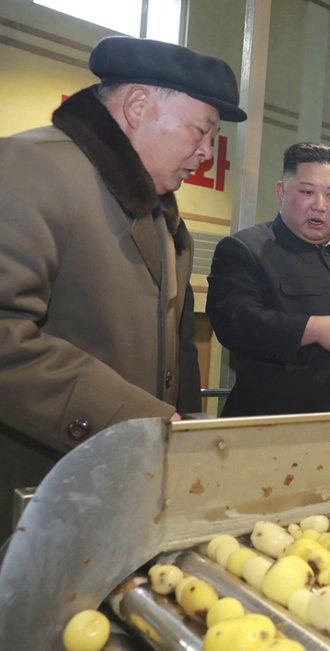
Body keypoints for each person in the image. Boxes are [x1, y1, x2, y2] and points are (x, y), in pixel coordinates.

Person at [0, 36, 246, 538]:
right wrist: (134, 422)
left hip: (126, 492)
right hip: (36, 496)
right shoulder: (29, 168)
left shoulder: (161, 214)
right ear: (137, 106)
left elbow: (178, 348)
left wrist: (186, 439)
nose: (205, 152)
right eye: (202, 131)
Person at [206, 143, 330, 416]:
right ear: (281, 192)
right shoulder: (245, 249)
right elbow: (234, 323)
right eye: (307, 192)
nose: (319, 206)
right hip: (285, 428)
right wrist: (312, 329)